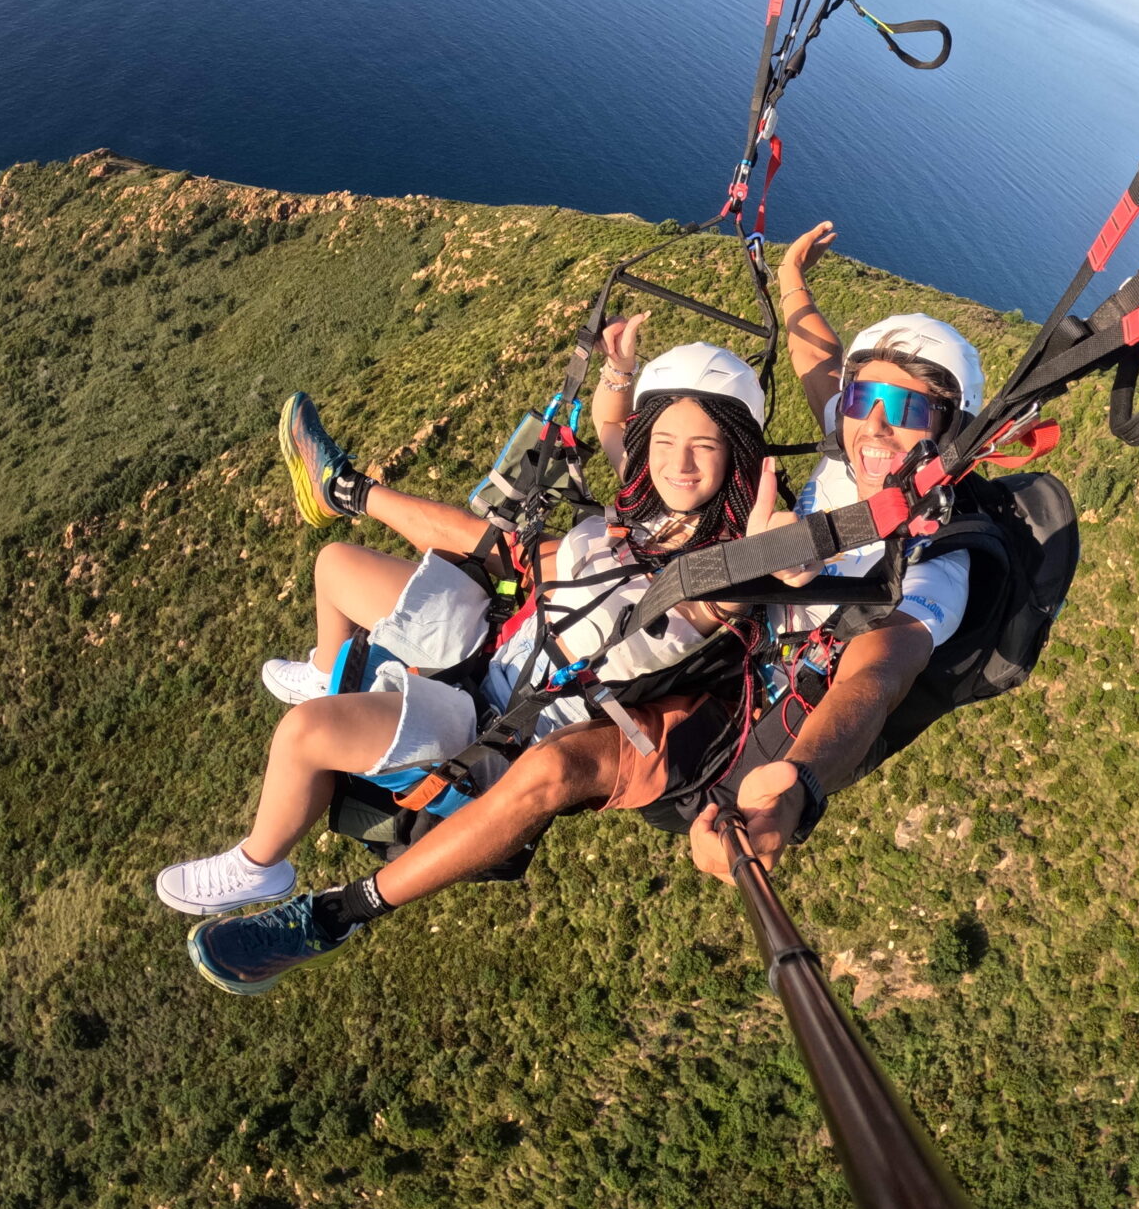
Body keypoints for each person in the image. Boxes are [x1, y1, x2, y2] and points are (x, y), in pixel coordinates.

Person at [156, 334, 781, 992]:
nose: (679, 463)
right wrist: (620, 369)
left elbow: (749, 582)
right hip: (494, 647)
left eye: (705, 446)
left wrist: (768, 550)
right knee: (336, 565)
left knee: (305, 733)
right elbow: (610, 420)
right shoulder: (644, 502)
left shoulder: (717, 577)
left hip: (502, 727)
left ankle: (259, 865)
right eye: (665, 440)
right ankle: (324, 666)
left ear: (736, 457)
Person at [671, 219, 987, 884]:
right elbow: (816, 358)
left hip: (774, 692)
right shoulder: (854, 445)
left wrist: (794, 792)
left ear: (950, 434)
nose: (875, 423)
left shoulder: (940, 558)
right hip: (733, 628)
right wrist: (791, 277)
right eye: (864, 397)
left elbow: (878, 676)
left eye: (909, 409)